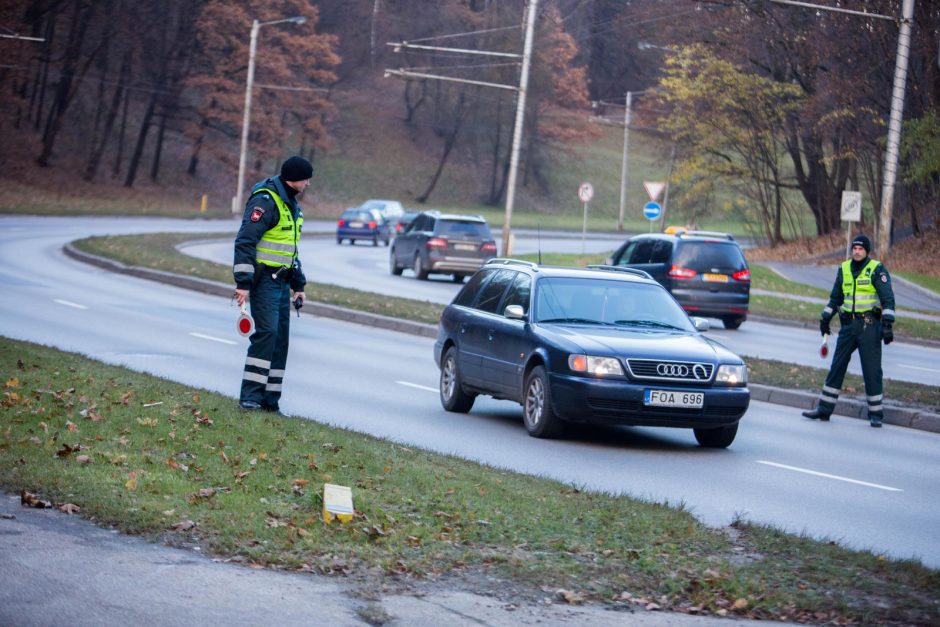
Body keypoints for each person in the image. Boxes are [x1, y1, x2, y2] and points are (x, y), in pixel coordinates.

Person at [233, 156, 311, 412]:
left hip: (282, 281)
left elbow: (290, 251)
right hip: (264, 280)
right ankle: (251, 397)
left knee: (280, 341)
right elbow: (245, 241)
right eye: (305, 178)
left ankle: (270, 401)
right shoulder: (266, 201)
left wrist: (299, 285)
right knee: (266, 335)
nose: (308, 183)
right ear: (294, 178)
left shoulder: (291, 205)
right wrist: (243, 283)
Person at [802, 234, 896, 427]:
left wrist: (887, 324)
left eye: (861, 248)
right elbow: (835, 297)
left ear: (867, 251)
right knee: (837, 366)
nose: (856, 251)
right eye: (854, 248)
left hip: (868, 326)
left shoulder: (875, 269)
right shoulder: (844, 268)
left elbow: (888, 298)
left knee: (872, 370)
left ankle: (876, 414)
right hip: (848, 326)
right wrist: (825, 318)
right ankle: (824, 409)